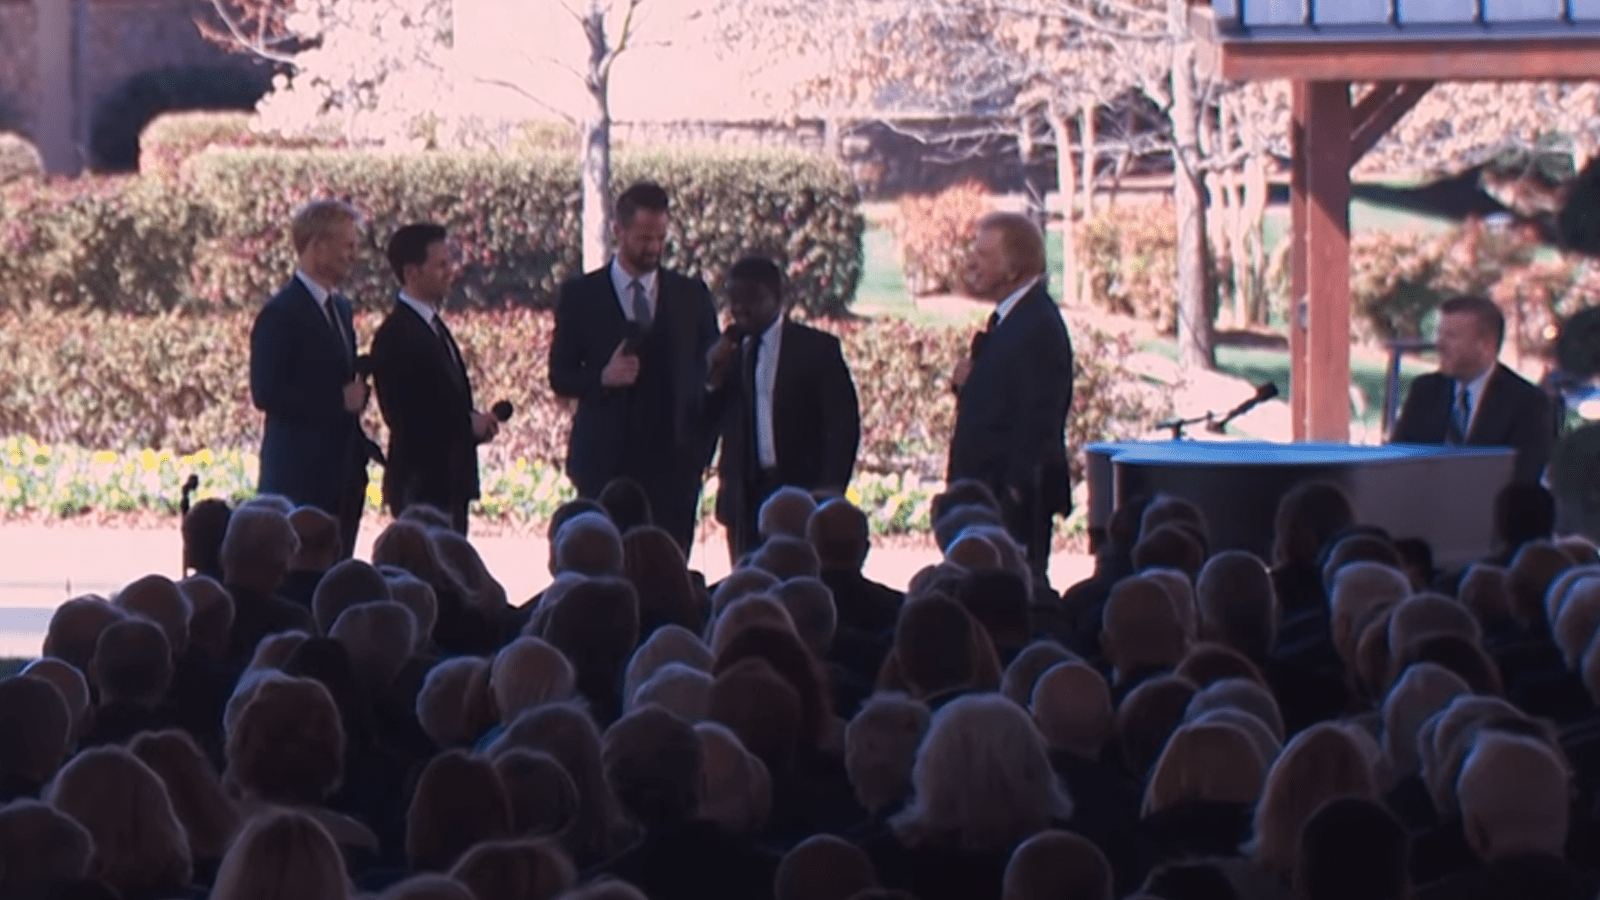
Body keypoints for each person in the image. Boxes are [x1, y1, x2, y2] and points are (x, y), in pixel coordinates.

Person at [549, 182, 720, 553]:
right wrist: (602, 379)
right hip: (604, 465)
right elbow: (560, 376)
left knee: (669, 571)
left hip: (674, 469)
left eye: (660, 238)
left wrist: (699, 452)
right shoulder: (581, 296)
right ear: (618, 231)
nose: (653, 248)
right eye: (644, 238)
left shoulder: (692, 296)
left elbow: (714, 375)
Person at [706, 255, 861, 561]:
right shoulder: (732, 351)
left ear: (777, 298)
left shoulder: (816, 349)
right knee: (747, 580)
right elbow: (706, 418)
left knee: (798, 571)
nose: (741, 309)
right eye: (734, 300)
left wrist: (830, 486)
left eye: (752, 299)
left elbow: (842, 423)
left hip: (801, 488)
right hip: (745, 495)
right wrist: (713, 376)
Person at [946, 212, 1074, 585]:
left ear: (1015, 265)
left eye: (984, 255)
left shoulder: (1037, 327)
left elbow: (1037, 425)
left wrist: (1011, 501)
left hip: (1008, 511)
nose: (972, 262)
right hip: (983, 502)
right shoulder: (1011, 320)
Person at [249, 199, 378, 560]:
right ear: (316, 245)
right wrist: (336, 401)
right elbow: (267, 391)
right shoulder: (280, 314)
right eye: (346, 245)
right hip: (299, 474)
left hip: (342, 474)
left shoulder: (341, 309)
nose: (353, 254)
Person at [370, 223, 500, 535]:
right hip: (421, 484)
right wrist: (464, 425)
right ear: (412, 272)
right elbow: (404, 414)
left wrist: (474, 424)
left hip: (449, 481)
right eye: (440, 264)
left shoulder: (433, 326)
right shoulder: (396, 333)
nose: (449, 271)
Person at [1391, 294, 1553, 484]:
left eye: (1451, 336)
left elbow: (1523, 480)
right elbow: (1397, 460)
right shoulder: (1425, 391)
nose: (1439, 344)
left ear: (1486, 345)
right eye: (1440, 334)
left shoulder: (1528, 403)